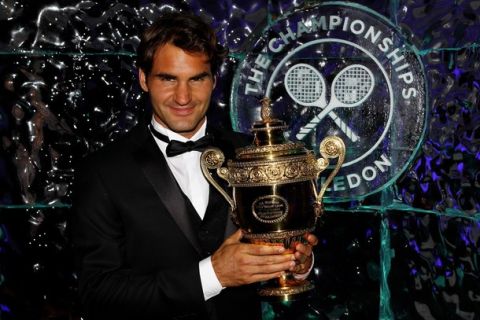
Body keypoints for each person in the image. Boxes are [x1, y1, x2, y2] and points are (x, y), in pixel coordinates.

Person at [70, 11, 318, 320]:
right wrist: (212, 276)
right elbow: (97, 294)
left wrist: (296, 265)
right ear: (144, 79)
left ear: (214, 80)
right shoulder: (103, 172)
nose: (183, 97)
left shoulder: (252, 155)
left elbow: (279, 248)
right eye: (168, 79)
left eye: (196, 78)